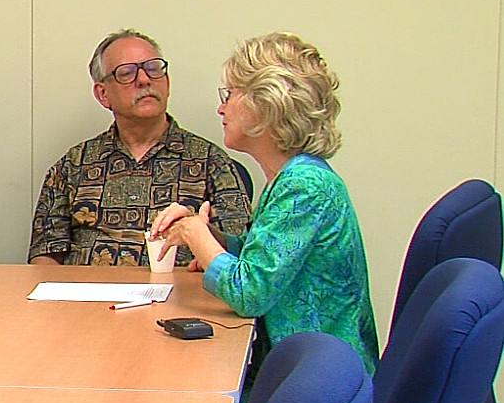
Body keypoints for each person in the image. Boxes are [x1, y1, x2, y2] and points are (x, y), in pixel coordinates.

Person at [149, 32, 378, 378]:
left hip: (318, 384)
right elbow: (273, 261)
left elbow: (249, 293)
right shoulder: (290, 177)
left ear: (267, 104)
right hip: (304, 370)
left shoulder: (304, 186)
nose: (220, 108)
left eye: (231, 95)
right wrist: (217, 240)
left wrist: (198, 236)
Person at [29, 29, 251, 266]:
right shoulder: (72, 166)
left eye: (153, 69)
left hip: (177, 298)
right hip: (87, 299)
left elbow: (241, 257)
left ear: (167, 81)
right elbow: (45, 256)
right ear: (103, 94)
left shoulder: (212, 163)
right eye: (127, 73)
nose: (144, 80)